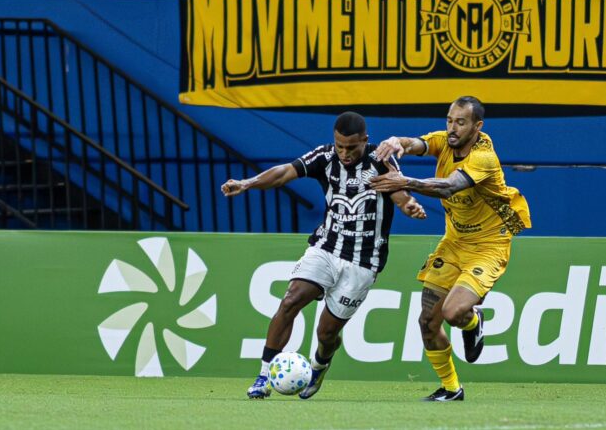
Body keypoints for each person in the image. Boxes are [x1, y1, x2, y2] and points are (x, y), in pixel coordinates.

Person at [222, 112, 427, 400]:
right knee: (292, 299)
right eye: (340, 146)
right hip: (326, 248)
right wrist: (247, 183)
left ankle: (319, 365)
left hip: (363, 261)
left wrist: (410, 206)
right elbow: (284, 172)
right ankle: (264, 375)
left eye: (351, 148)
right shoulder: (325, 157)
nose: (344, 153)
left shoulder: (380, 159)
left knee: (326, 332)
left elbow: (399, 193)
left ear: (364, 141)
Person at [371, 97, 531, 403]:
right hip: (455, 241)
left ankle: (473, 322)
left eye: (460, 122)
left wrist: (403, 181)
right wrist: (396, 143)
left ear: (477, 126)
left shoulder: (484, 157)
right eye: (449, 120)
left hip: (488, 244)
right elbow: (416, 143)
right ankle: (451, 388)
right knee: (427, 323)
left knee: (454, 311)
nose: (452, 127)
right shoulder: (445, 140)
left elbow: (448, 186)